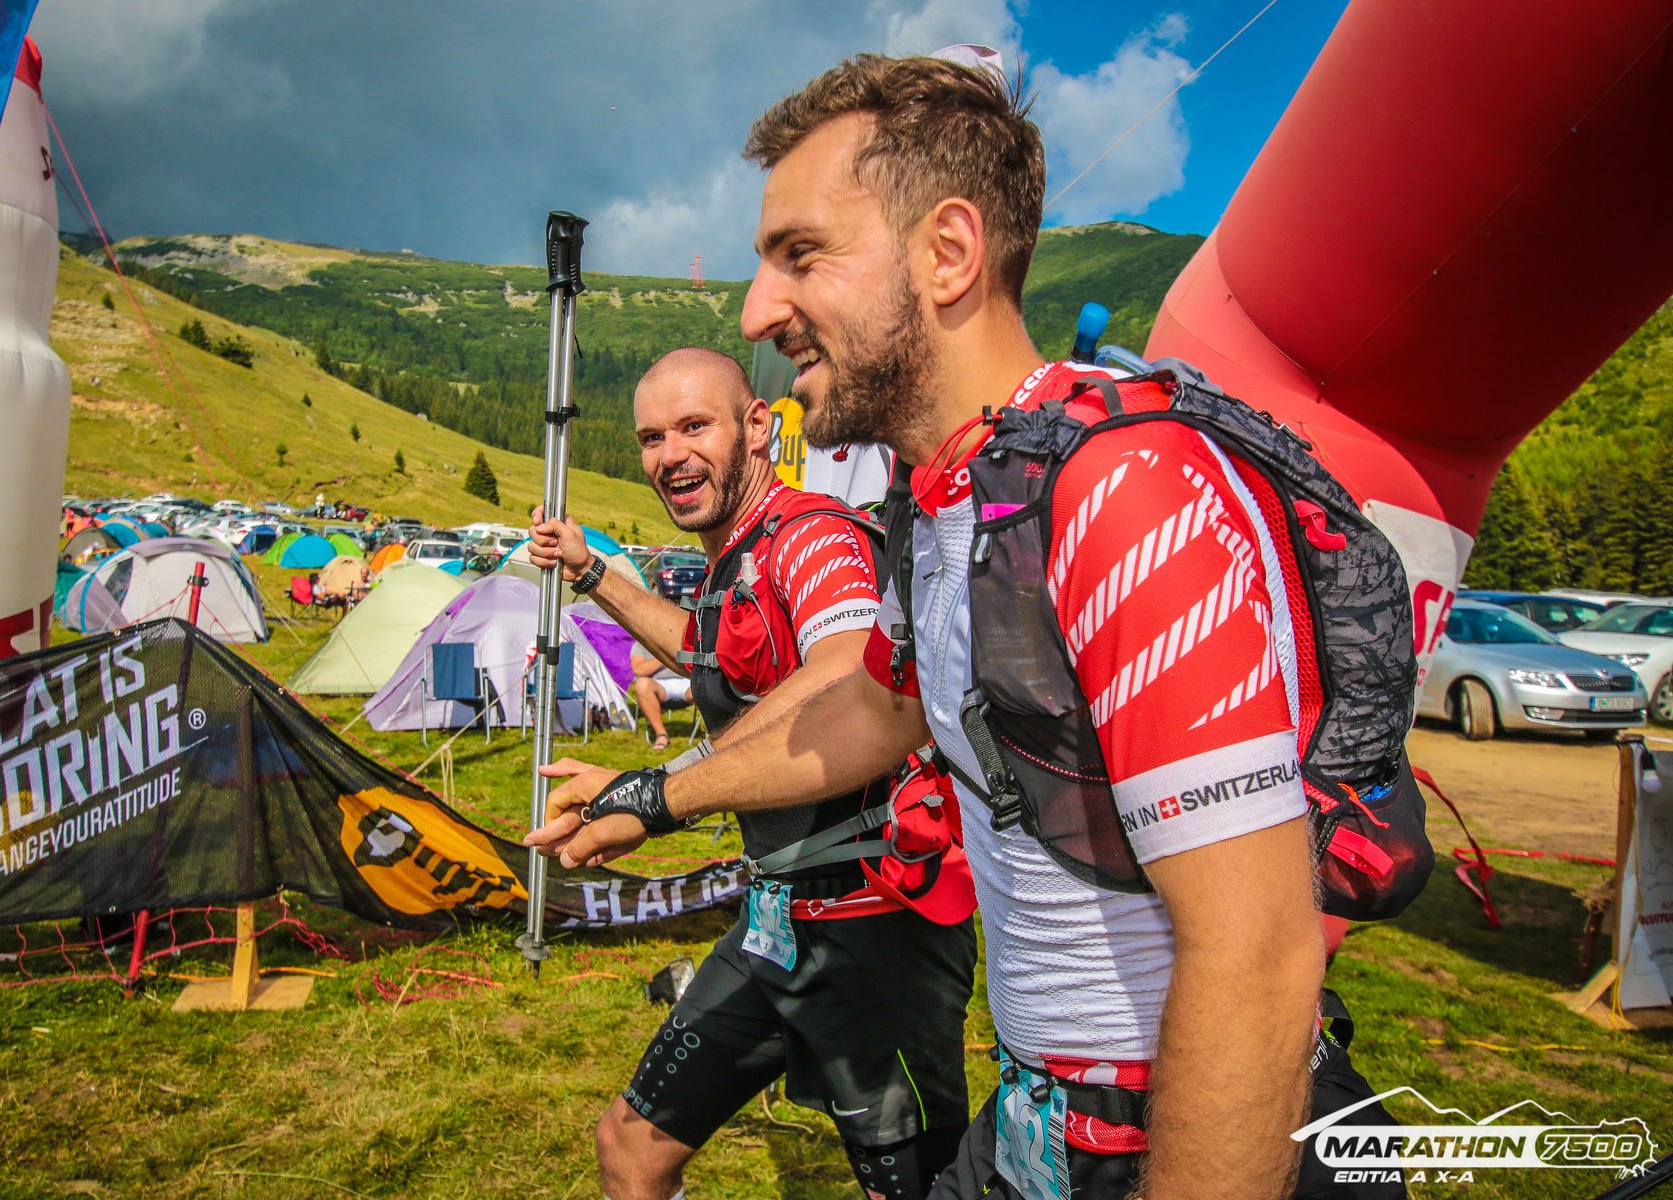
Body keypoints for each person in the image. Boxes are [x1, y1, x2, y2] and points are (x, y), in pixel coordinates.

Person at [527, 54, 1403, 1200]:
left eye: (801, 255)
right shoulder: (943, 497)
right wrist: (653, 796)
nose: (756, 311)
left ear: (947, 254)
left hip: (1182, 1128)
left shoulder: (1119, 487)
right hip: (1041, 1117)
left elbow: (1258, 954)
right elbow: (876, 702)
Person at [527, 346, 977, 1200]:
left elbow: (849, 671)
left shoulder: (809, 536)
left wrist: (653, 795)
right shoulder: (737, 556)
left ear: (758, 428)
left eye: (696, 425)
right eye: (652, 437)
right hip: (775, 922)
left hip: (874, 931)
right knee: (630, 1148)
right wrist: (592, 573)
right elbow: (709, 659)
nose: (671, 455)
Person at [629, 649, 691, 751]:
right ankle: (661, 735)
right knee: (642, 684)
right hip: (659, 685)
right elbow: (639, 670)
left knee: (706, 684)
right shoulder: (640, 645)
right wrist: (665, 656)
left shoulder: (684, 639)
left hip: (687, 681)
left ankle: (715, 733)